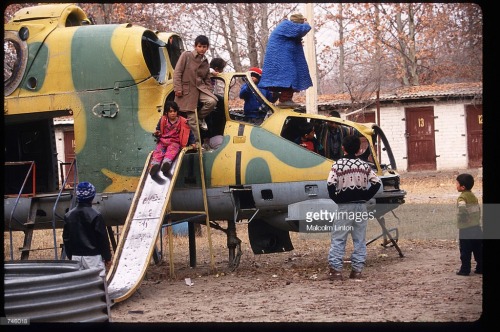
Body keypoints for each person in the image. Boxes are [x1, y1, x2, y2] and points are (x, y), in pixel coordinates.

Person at [326, 135, 381, 281]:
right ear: (358, 149)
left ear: (343, 148)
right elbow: (376, 183)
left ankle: (336, 271)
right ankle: (357, 271)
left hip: (345, 206)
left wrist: (338, 198)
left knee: (339, 238)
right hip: (361, 206)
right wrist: (365, 196)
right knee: (359, 239)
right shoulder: (364, 165)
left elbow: (330, 185)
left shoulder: (338, 165)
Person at [259, 13, 313, 108]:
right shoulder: (286, 25)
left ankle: (286, 99)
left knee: (292, 75)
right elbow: (302, 29)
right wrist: (306, 24)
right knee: (290, 76)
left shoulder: (288, 29)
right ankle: (284, 99)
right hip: (280, 59)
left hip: (282, 58)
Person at [63, 181, 112, 278]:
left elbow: (66, 238)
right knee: (98, 284)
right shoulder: (96, 215)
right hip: (93, 257)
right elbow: (102, 239)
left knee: (79, 285)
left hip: (76, 256)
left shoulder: (68, 216)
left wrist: (70, 256)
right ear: (92, 196)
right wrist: (107, 257)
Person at [174, 35, 218, 140]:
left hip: (200, 89)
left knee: (212, 101)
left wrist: (209, 90)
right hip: (187, 91)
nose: (202, 49)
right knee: (192, 121)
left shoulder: (205, 61)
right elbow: (177, 72)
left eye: (204, 46)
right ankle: (197, 145)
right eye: (199, 46)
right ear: (195, 46)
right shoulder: (186, 55)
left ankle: (200, 117)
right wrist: (178, 88)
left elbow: (207, 78)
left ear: (207, 47)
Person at [150, 100, 196, 176]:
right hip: (163, 141)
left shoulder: (182, 121)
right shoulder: (163, 120)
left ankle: (166, 164)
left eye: (174, 111)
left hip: (175, 142)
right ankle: (154, 166)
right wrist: (157, 133)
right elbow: (158, 129)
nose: (173, 113)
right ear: (166, 113)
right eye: (170, 111)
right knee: (158, 152)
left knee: (171, 151)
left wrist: (193, 142)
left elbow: (189, 133)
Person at [455, 173, 483, 276]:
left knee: (465, 251)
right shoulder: (473, 196)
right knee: (478, 249)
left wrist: (463, 219)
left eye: (457, 183)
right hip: (476, 228)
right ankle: (480, 267)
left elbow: (462, 210)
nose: (456, 185)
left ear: (462, 187)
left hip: (466, 229)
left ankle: (465, 269)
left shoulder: (462, 198)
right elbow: (478, 210)